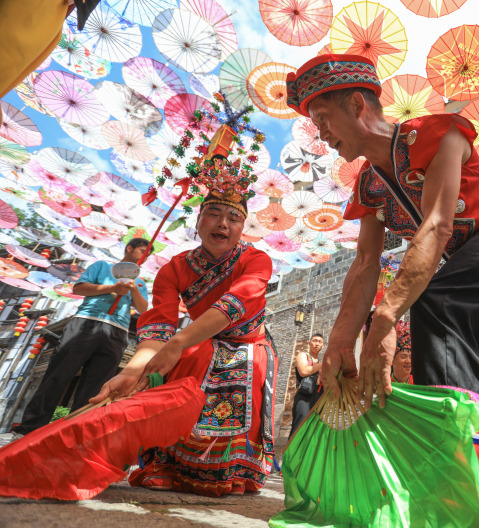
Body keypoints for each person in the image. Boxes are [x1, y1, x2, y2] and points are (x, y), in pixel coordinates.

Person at [286, 54, 479, 525]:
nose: (321, 135)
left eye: (323, 119)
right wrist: (344, 340)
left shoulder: (437, 132)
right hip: (460, 264)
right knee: (455, 349)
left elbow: (438, 226)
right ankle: (470, 486)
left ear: (358, 104)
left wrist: (385, 320)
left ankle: (459, 481)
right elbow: (364, 264)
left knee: (437, 305)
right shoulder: (368, 183)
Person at [89, 190, 279, 497]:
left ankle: (231, 468)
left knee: (211, 357)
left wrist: (178, 342)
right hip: (196, 341)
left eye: (234, 218)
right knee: (182, 361)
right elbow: (159, 328)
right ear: (199, 219)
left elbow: (233, 305)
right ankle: (166, 464)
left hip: (246, 344)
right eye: (214, 214)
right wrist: (132, 372)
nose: (223, 224)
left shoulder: (256, 259)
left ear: (243, 228)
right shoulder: (174, 269)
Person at [0, 238, 149, 445]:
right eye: (143, 250)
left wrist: (132, 289)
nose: (146, 255)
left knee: (95, 387)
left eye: (148, 253)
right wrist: (111, 288)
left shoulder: (140, 281)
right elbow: (79, 289)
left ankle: (75, 435)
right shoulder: (102, 266)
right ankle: (29, 429)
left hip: (118, 332)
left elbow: (143, 310)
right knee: (58, 375)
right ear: (129, 248)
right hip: (87, 322)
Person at [290, 333, 324, 436]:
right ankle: (292, 452)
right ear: (309, 343)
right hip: (304, 396)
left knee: (314, 429)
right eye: (314, 341)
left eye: (320, 342)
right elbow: (304, 371)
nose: (317, 344)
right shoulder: (303, 356)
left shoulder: (320, 362)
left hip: (318, 397)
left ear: (322, 346)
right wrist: (322, 364)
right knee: (300, 426)